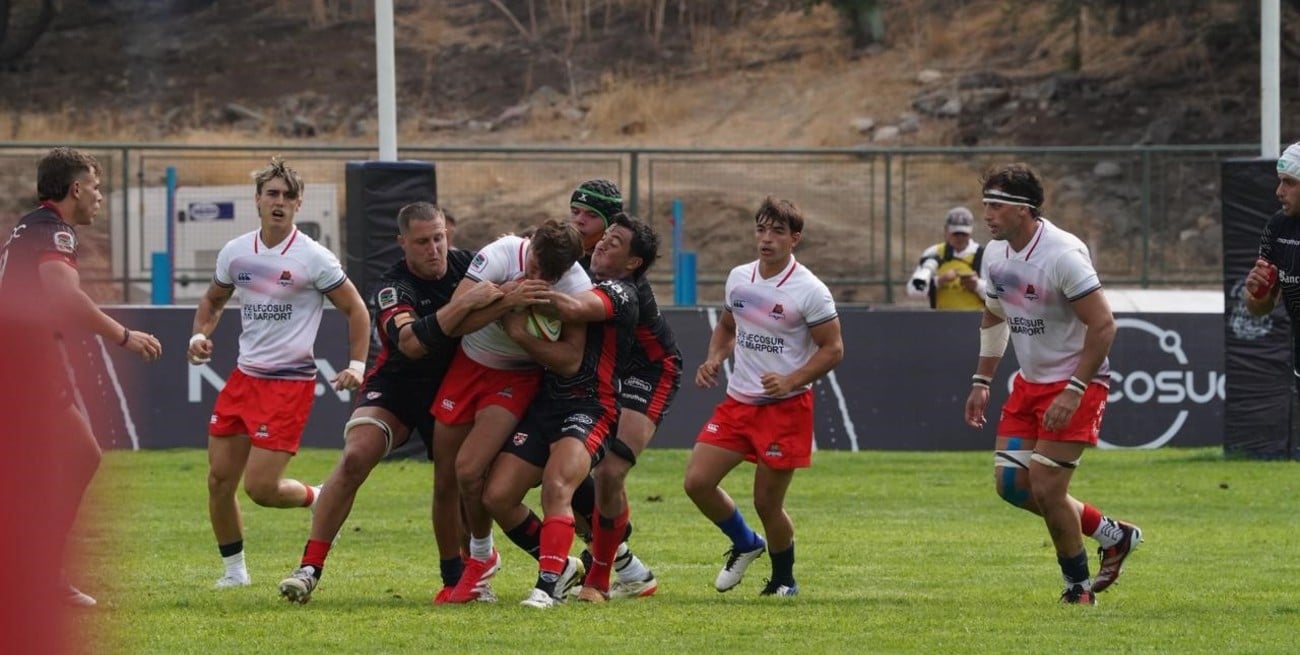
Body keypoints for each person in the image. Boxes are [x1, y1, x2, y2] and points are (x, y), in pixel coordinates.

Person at [277, 202, 502, 604]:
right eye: (422, 242)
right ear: (402, 243)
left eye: (439, 238)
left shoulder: (472, 266)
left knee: (453, 484)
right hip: (399, 385)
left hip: (456, 387)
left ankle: (458, 578)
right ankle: (309, 568)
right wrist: (465, 304)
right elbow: (412, 345)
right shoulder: (391, 287)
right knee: (355, 456)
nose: (434, 249)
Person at [186, 158, 370, 589]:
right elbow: (213, 301)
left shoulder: (314, 258)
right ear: (258, 200)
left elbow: (356, 309)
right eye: (272, 194)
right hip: (242, 380)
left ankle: (321, 498)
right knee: (218, 480)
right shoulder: (236, 252)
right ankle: (234, 572)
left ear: (298, 204)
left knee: (262, 489)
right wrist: (198, 336)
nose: (279, 202)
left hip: (288, 385)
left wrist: (357, 365)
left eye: (288, 196)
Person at [962, 163, 1142, 605]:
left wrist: (1074, 390)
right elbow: (995, 314)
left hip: (1078, 383)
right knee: (1012, 485)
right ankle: (1112, 534)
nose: (987, 214)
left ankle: (1078, 588)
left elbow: (1103, 326)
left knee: (1045, 485)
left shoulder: (1062, 254)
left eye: (996, 205)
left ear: (1024, 211)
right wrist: (982, 379)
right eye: (985, 203)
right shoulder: (995, 254)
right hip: (1029, 384)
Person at [0, 147, 163, 607]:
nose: (99, 196)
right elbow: (64, 297)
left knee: (61, 461)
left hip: (25, 357)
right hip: (21, 359)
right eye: (95, 186)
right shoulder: (53, 232)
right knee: (74, 458)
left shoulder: (30, 227)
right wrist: (124, 335)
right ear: (75, 188)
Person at [481, 213, 647, 608]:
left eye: (616, 241)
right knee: (497, 496)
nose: (604, 243)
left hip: (591, 404)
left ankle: (548, 585)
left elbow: (572, 316)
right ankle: (570, 565)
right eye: (604, 237)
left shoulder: (623, 293)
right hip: (545, 403)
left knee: (559, 486)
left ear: (633, 262)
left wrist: (517, 303)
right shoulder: (568, 271)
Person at [683, 196, 844, 598]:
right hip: (738, 403)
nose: (766, 239)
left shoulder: (810, 291)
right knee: (697, 482)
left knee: (767, 504)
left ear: (795, 238)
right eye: (761, 229)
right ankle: (745, 542)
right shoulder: (739, 277)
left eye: (776, 231)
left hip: (785, 409)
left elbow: (833, 348)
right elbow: (726, 326)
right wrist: (714, 358)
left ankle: (784, 580)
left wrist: (791, 380)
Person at [432, 218, 590, 604]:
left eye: (550, 275)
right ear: (529, 243)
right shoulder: (500, 254)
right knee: (450, 480)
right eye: (535, 266)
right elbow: (454, 322)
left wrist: (520, 331)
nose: (539, 277)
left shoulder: (576, 285)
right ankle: (469, 569)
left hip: (516, 377)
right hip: (467, 367)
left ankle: (483, 559)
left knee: (471, 470)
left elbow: (570, 361)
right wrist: (507, 301)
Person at [907, 206, 985, 310]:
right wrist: (939, 281)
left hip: (975, 320)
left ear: (970, 232)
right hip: (941, 320)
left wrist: (977, 285)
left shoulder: (983, 255)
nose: (960, 238)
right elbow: (913, 291)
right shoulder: (933, 253)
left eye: (964, 234)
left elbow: (1000, 296)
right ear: (946, 230)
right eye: (956, 233)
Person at [569, 178, 623, 270]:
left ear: (610, 224)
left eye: (592, 215)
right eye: (575, 212)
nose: (579, 220)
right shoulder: (558, 259)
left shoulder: (619, 271)